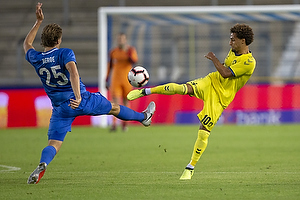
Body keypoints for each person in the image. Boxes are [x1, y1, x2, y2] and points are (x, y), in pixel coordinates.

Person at [24, 3, 155, 184]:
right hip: (82, 100)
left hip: (60, 109)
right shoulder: (65, 53)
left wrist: (38, 22)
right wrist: (78, 97)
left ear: (43, 41)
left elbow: (27, 44)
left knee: (53, 143)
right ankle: (143, 117)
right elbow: (73, 73)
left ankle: (43, 164)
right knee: (114, 108)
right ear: (58, 40)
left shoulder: (36, 58)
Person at [127, 23, 256, 180]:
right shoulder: (233, 50)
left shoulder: (249, 62)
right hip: (210, 82)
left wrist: (213, 58)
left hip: (221, 98)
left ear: (243, 41)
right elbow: (221, 72)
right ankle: (146, 91)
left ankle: (190, 167)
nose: (230, 43)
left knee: (204, 131)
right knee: (182, 88)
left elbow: (225, 73)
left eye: (233, 40)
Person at [106, 33, 138, 132]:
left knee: (126, 102)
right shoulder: (113, 52)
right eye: (119, 39)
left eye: (122, 39)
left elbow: (134, 61)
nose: (120, 41)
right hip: (116, 80)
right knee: (115, 102)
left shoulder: (130, 50)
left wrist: (128, 53)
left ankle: (124, 124)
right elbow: (110, 66)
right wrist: (106, 78)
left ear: (125, 40)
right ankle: (114, 124)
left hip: (128, 80)